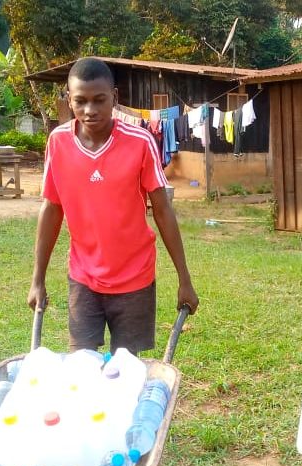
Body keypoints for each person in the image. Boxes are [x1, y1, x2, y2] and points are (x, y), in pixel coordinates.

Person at [27, 57, 199, 354]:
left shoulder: (140, 141)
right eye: (80, 101)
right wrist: (37, 279)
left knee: (125, 367)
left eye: (99, 100)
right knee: (82, 364)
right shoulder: (58, 142)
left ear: (114, 98)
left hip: (134, 278)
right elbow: (52, 208)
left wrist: (185, 279)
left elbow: (162, 210)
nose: (90, 110)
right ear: (69, 99)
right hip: (83, 278)